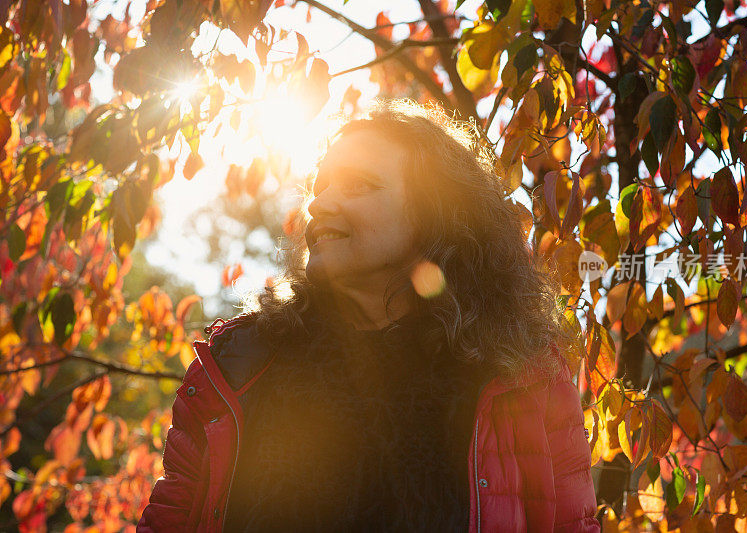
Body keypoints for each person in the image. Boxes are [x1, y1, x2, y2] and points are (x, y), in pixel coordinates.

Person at [137, 100, 600, 532]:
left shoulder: (525, 376)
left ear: (435, 212)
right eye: (320, 188)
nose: (319, 204)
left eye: (359, 184)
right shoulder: (238, 366)